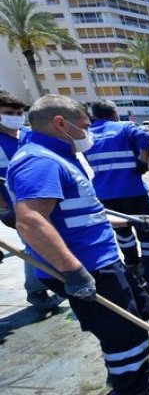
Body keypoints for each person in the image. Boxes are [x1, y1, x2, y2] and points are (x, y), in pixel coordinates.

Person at [8, 94, 149, 394]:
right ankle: (133, 386)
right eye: (85, 126)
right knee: (121, 331)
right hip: (86, 266)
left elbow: (83, 215)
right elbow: (30, 221)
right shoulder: (39, 162)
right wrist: (73, 271)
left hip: (102, 259)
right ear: (61, 123)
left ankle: (134, 362)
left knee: (137, 308)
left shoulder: (59, 156)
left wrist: (132, 221)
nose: (89, 133)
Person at [83, 100, 149, 292]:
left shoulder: (87, 135)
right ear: (114, 112)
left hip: (104, 193)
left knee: (122, 232)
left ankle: (132, 265)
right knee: (147, 230)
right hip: (132, 191)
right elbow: (145, 138)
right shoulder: (124, 127)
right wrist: (143, 160)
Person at [0, 90, 66, 310]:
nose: (16, 116)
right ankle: (37, 290)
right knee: (35, 245)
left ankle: (53, 280)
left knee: (52, 241)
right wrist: (3, 209)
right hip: (17, 207)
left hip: (46, 199)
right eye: (9, 112)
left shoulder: (27, 134)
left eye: (19, 112)